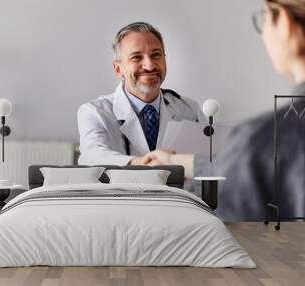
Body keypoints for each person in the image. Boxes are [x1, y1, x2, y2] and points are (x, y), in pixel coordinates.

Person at [145, 0, 305, 220]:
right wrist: (176, 162)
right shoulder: (261, 143)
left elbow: (251, 165)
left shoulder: (261, 138)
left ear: (285, 23)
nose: (149, 65)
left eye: (264, 19)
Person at [77, 22, 205, 166]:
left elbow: (208, 158)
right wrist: (144, 164)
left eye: (156, 55)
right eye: (136, 57)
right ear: (118, 68)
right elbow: (92, 156)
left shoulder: (188, 109)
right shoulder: (94, 112)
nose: (149, 66)